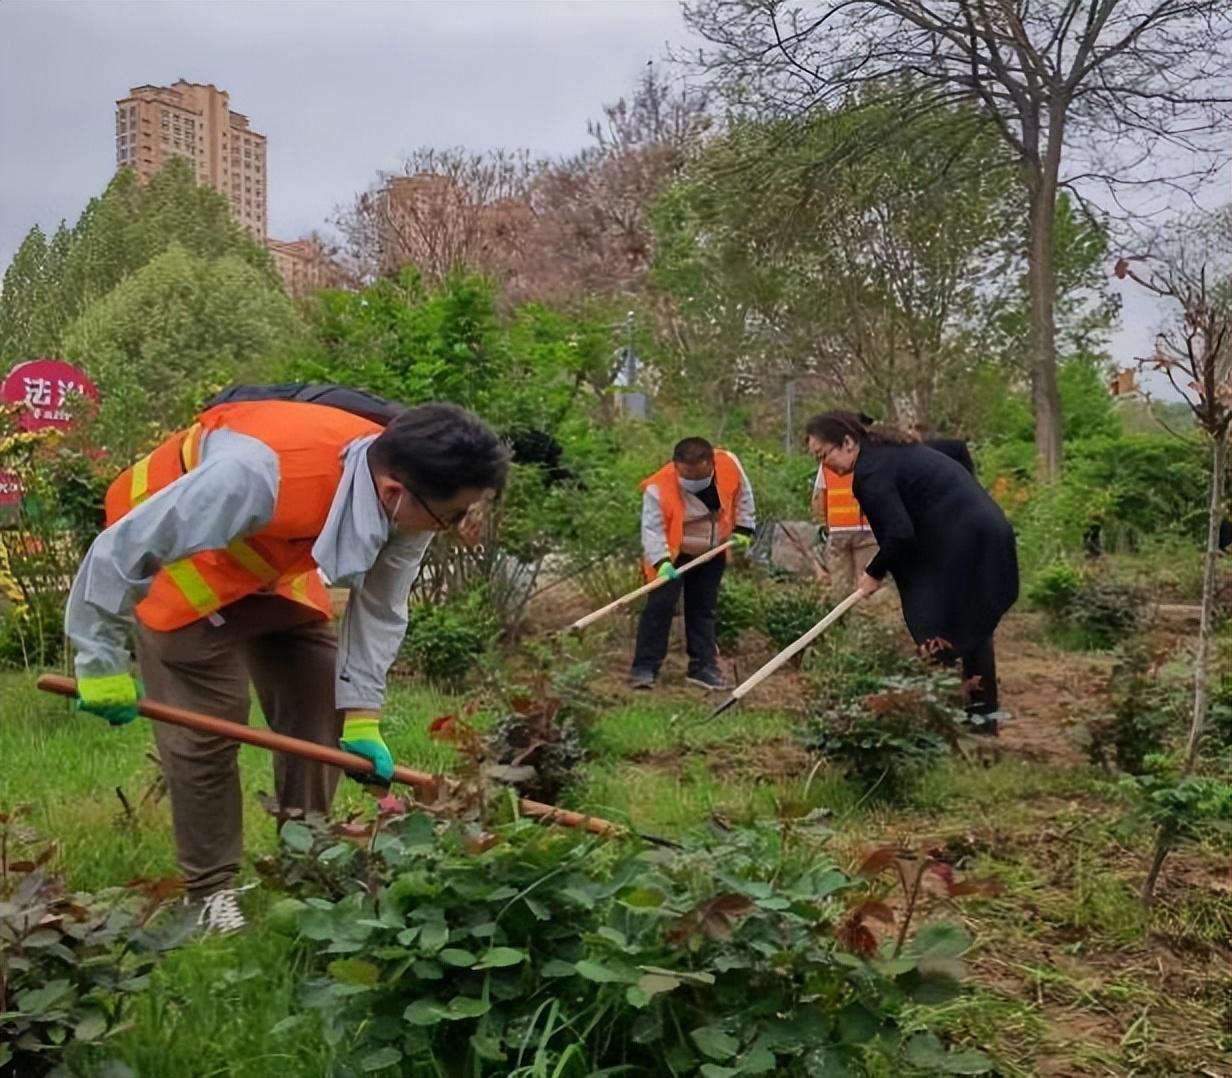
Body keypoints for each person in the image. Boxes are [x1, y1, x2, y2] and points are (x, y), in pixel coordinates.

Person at [66, 398, 508, 930]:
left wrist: (363, 714)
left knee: (320, 696)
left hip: (263, 562)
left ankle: (306, 857)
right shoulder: (251, 474)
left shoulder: (405, 499)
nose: (456, 526)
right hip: (175, 554)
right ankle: (209, 893)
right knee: (210, 720)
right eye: (453, 515)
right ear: (395, 493)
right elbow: (122, 550)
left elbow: (380, 607)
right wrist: (100, 660)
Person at [805, 411, 1018, 730]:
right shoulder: (890, 451)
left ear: (848, 442)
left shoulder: (872, 472)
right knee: (965, 626)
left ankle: (943, 712)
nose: (826, 466)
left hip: (967, 543)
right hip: (982, 534)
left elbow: (899, 534)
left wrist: (873, 572)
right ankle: (978, 715)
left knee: (938, 622)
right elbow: (953, 452)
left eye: (825, 455)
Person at [629, 437, 756, 691]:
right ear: (676, 466)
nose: (694, 482)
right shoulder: (659, 488)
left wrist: (744, 528)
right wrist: (662, 562)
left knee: (703, 609)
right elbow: (652, 531)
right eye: (687, 476)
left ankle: (703, 666)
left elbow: (744, 496)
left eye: (700, 476)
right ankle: (644, 667)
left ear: (711, 464)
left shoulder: (729, 465)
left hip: (712, 550)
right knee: (660, 607)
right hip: (672, 554)